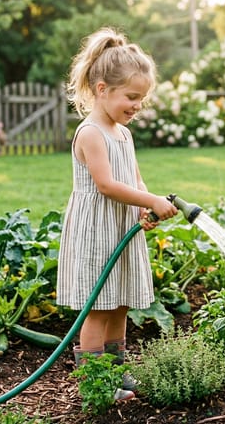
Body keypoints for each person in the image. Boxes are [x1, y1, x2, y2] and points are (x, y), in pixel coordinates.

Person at [56, 27, 178, 401]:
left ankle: (117, 376)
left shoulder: (123, 134)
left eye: (142, 98)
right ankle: (97, 384)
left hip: (122, 226)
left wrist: (146, 202)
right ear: (102, 89)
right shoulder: (91, 133)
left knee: (120, 302)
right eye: (131, 97)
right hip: (97, 231)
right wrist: (151, 199)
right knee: (99, 308)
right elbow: (107, 185)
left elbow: (134, 178)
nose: (137, 105)